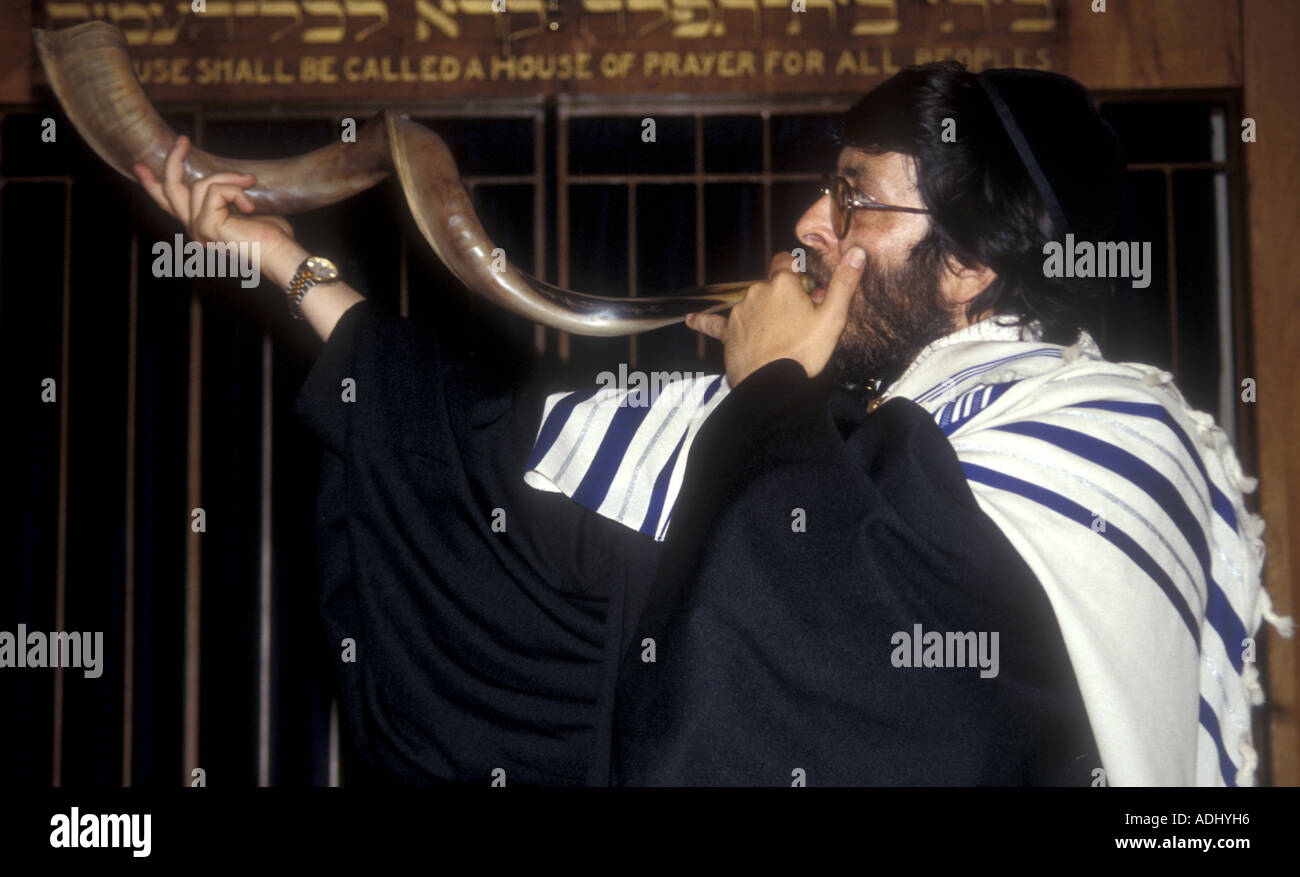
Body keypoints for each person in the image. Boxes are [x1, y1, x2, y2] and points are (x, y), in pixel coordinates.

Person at [133, 62, 1284, 787]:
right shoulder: (812, 423)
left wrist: (770, 390)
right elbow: (482, 478)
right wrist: (288, 266)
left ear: (971, 263)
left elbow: (874, 694)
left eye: (853, 195)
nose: (807, 224)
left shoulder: (1103, 434)